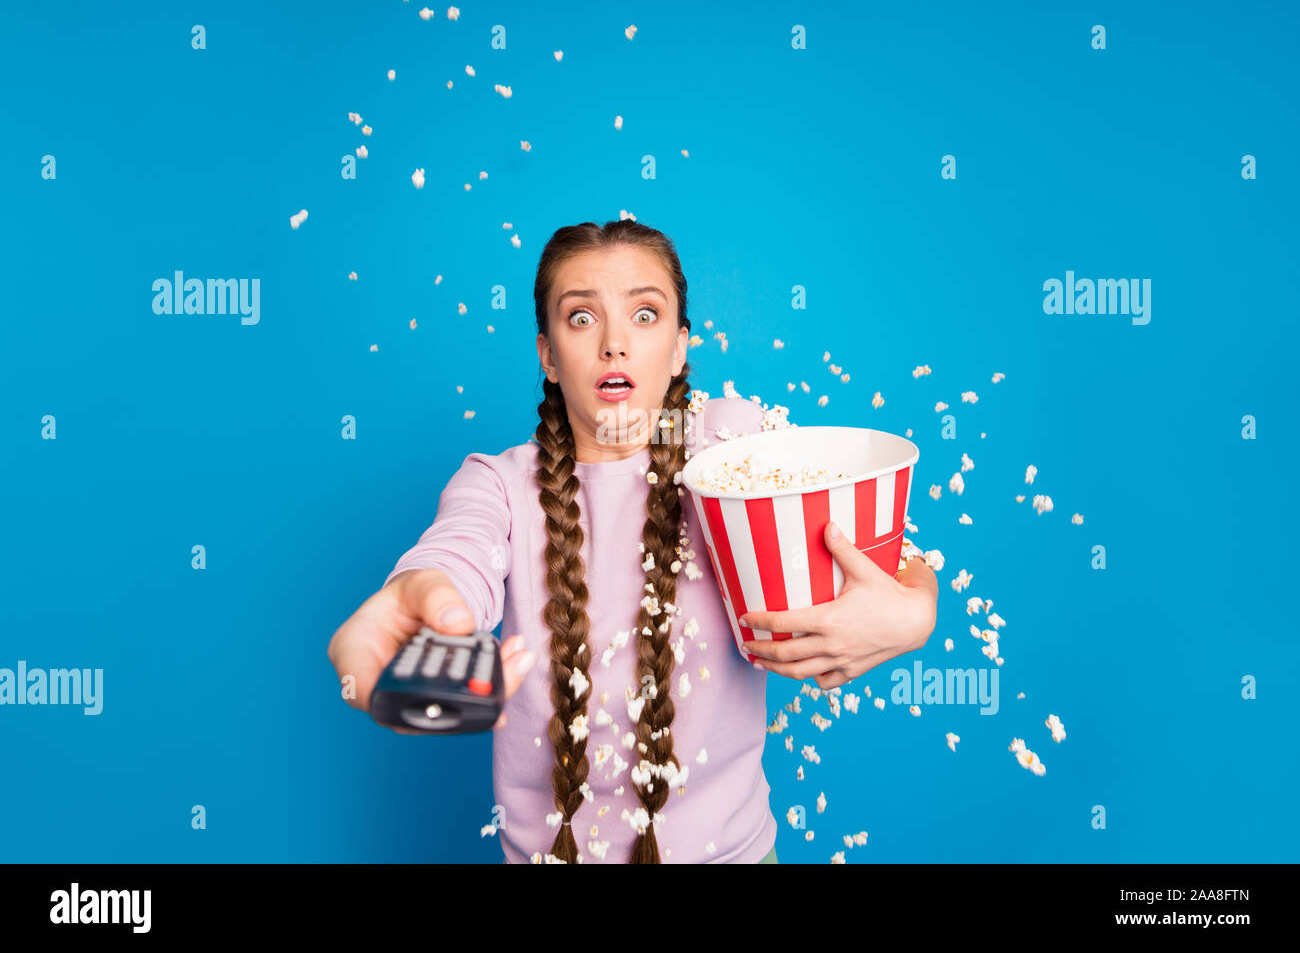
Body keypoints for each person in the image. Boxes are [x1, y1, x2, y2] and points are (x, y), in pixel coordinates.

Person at [327, 219, 939, 863]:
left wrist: (916, 608)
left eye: (643, 314)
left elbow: (880, 543)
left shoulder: (736, 445)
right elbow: (456, 554)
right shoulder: (498, 486)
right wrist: (419, 604)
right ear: (547, 354)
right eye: (582, 318)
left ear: (680, 349)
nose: (615, 343)